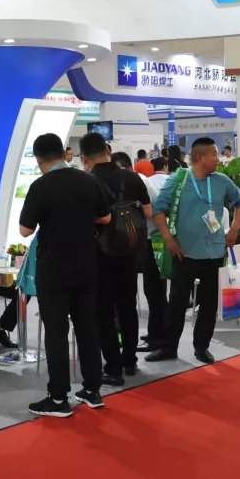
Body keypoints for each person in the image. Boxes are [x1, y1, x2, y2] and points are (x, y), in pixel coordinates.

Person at [19, 133, 109, 417]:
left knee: (57, 333)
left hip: (54, 269)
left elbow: (25, 229)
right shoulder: (88, 180)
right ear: (63, 152)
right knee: (87, 328)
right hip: (87, 265)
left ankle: (58, 398)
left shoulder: (41, 186)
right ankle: (92, 390)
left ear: (39, 159)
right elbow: (106, 217)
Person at [147, 137, 240, 365]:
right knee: (177, 302)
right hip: (185, 252)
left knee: (209, 304)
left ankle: (201, 347)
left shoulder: (221, 181)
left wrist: (233, 230)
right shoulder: (179, 180)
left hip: (214, 252)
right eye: (214, 154)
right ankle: (168, 347)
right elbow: (158, 209)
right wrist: (168, 238)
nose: (218, 159)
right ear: (200, 157)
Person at [79, 132, 151, 386]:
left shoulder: (87, 181)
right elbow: (149, 211)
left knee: (104, 311)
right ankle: (130, 360)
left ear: (84, 158)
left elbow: (86, 218)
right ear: (107, 150)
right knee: (127, 305)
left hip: (100, 252)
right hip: (130, 251)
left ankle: (113, 367)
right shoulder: (132, 177)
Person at [138, 157, 171, 351]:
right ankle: (157, 333)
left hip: (154, 241)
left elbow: (153, 211)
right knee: (153, 291)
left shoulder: (142, 182)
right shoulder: (145, 181)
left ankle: (159, 338)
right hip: (152, 241)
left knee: (155, 291)